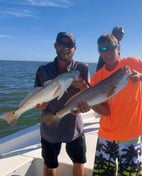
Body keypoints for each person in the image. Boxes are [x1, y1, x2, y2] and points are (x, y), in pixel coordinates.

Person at [90, 34, 142, 175]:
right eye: (103, 48)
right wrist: (91, 105)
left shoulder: (132, 63)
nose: (108, 51)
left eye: (111, 47)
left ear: (118, 47)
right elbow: (105, 111)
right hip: (106, 135)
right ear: (99, 52)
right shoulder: (97, 78)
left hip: (130, 135)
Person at [34, 32, 90, 176]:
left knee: (79, 161)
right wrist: (40, 105)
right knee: (50, 164)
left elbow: (89, 94)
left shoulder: (82, 69)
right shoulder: (43, 70)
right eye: (61, 44)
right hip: (50, 126)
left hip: (74, 126)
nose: (65, 48)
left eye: (69, 45)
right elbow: (36, 99)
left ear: (74, 48)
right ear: (55, 46)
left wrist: (83, 86)